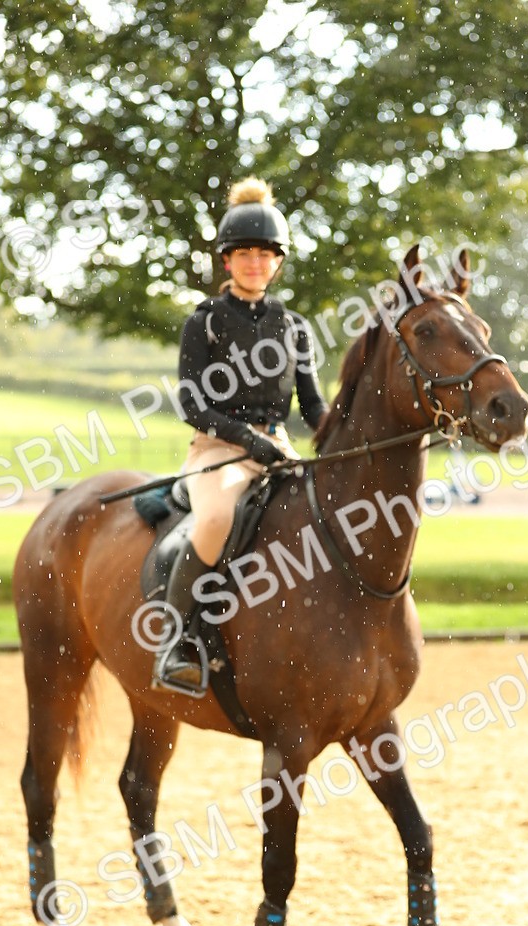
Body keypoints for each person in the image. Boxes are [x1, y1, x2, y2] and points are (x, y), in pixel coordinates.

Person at [152, 178, 329, 694]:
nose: (255, 262)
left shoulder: (294, 327)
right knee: (215, 518)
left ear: (278, 262)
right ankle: (177, 644)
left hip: (279, 447)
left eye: (265, 254)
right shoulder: (203, 323)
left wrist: (340, 434)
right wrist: (249, 442)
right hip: (219, 449)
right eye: (244, 254)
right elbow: (192, 403)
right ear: (227, 261)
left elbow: (313, 404)